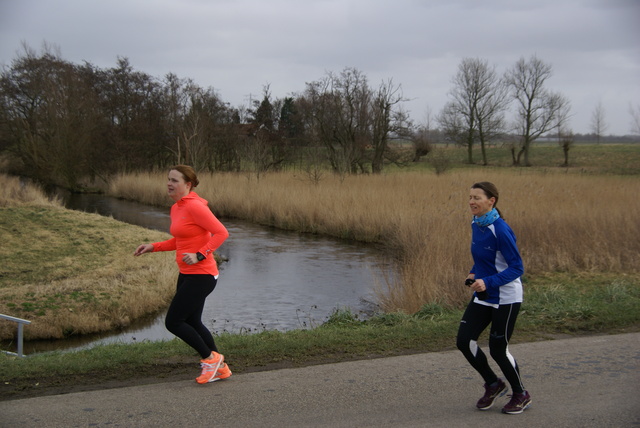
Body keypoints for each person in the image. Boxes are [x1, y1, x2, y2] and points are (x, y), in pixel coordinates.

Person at [134, 165, 231, 384]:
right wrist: (153, 246)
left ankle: (210, 359)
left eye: (175, 180)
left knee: (174, 322)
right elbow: (180, 240)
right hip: (187, 273)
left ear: (188, 184)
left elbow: (221, 232)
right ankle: (220, 368)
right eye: (168, 179)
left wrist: (200, 254)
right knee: (193, 321)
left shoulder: (195, 207)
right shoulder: (177, 208)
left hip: (202, 275)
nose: (169, 183)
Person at [456, 181, 532, 414]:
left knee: (498, 349)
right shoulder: (476, 223)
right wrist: (474, 272)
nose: (471, 201)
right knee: (464, 341)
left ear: (492, 201)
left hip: (506, 297)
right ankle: (493, 384)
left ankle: (520, 394)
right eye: (470, 197)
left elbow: (517, 268)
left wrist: (487, 281)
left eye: (477, 197)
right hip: (484, 293)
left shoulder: (500, 229)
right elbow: (483, 258)